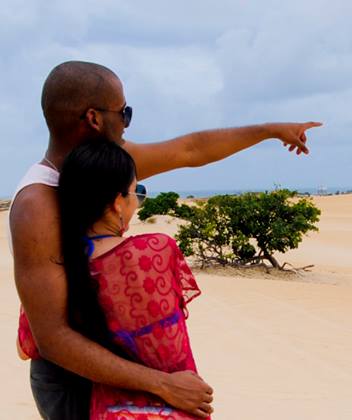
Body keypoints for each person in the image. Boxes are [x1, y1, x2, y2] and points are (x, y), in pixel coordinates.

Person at [9, 60, 321, 419]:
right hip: (77, 381)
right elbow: (52, 338)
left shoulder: (108, 166)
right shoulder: (37, 204)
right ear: (93, 118)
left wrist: (269, 130)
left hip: (130, 366)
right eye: (123, 112)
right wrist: (162, 384)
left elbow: (189, 150)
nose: (126, 123)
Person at [59, 140, 206, 419]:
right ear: (117, 203)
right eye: (136, 192)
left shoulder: (58, 267)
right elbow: (171, 350)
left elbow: (26, 347)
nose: (137, 202)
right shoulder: (156, 250)